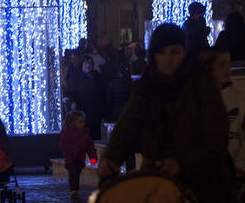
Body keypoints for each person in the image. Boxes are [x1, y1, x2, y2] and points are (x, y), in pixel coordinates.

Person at [98, 23, 235, 202]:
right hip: (158, 181)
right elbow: (127, 127)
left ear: (184, 53)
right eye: (161, 53)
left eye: (175, 52)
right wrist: (110, 158)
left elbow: (216, 137)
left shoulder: (202, 84)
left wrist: (182, 163)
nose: (168, 59)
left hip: (204, 183)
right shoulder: (146, 87)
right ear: (154, 55)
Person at [201, 46, 245, 197]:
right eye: (222, 64)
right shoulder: (200, 100)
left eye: (228, 64)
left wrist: (240, 166)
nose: (227, 69)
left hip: (234, 172)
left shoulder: (239, 98)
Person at [59, 110, 97, 202]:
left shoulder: (85, 132)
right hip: (71, 157)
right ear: (73, 122)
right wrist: (72, 150)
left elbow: (90, 146)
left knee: (77, 173)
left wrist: (93, 157)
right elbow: (63, 143)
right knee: (73, 173)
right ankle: (74, 191)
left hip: (80, 157)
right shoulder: (67, 131)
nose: (82, 124)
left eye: (83, 121)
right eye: (80, 122)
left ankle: (75, 190)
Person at [66, 56, 106, 140]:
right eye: (86, 63)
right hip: (83, 111)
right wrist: (73, 102)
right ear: (82, 64)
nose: (88, 65)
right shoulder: (76, 77)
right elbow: (71, 92)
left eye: (90, 63)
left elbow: (102, 91)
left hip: (95, 112)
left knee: (95, 137)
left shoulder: (97, 76)